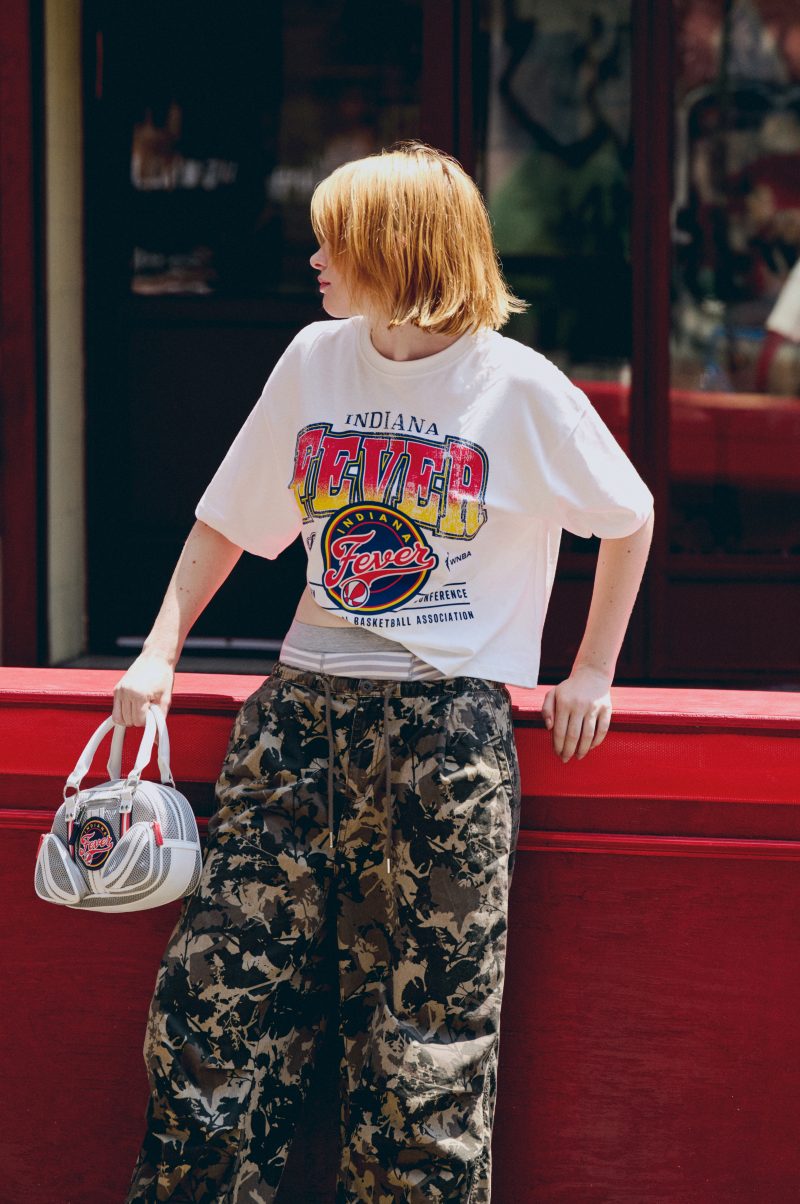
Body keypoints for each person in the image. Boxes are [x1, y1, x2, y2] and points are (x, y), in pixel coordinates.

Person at [121, 141, 654, 1203]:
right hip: (299, 718)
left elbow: (627, 515)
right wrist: (158, 647)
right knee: (213, 1016)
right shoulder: (314, 360)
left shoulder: (519, 387)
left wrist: (591, 668)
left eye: (337, 241)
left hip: (444, 734)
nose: (315, 258)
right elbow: (229, 519)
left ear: (397, 251)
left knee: (426, 1056)